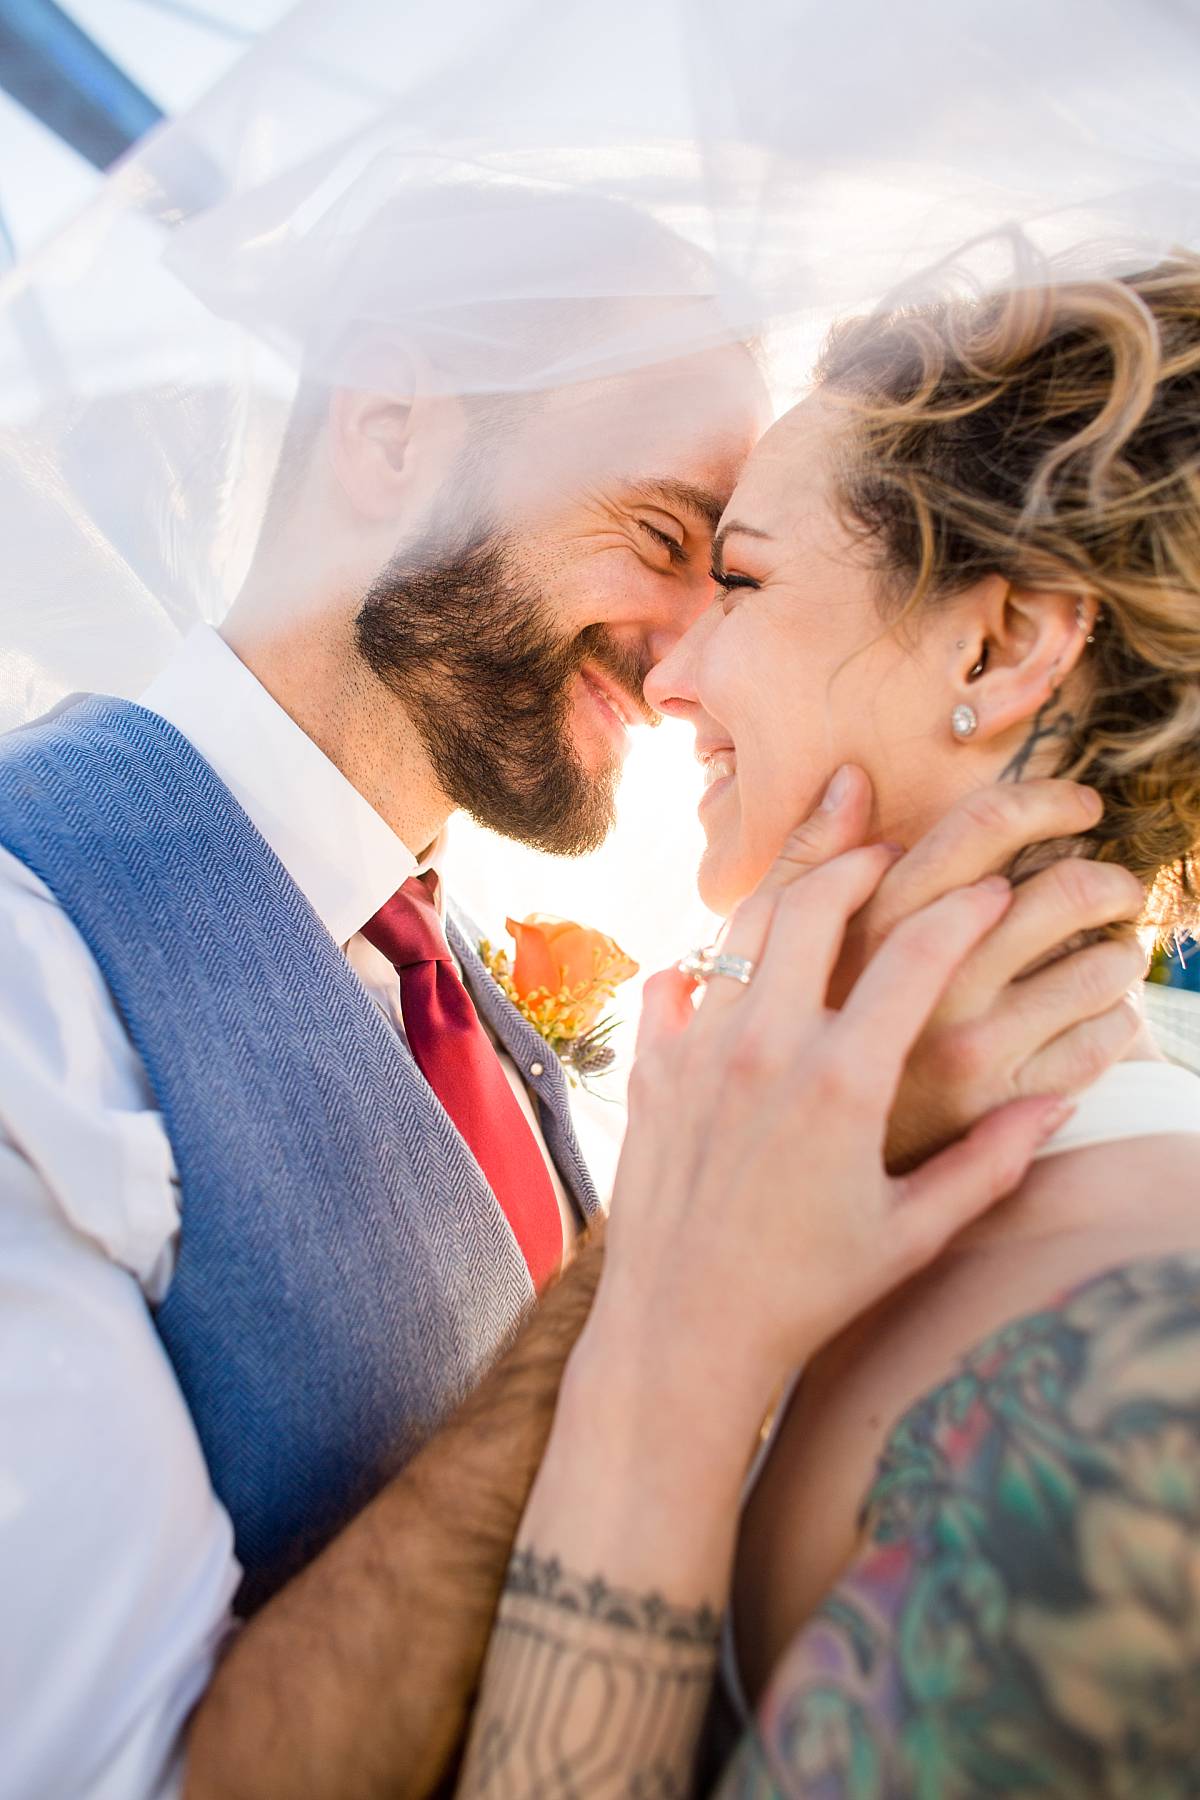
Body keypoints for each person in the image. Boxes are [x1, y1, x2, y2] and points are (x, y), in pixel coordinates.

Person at [0, 179, 1143, 1795]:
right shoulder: (22, 962)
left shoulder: (476, 997)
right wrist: (674, 1253)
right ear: (392, 431)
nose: (682, 665)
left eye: (739, 577)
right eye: (670, 539)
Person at [458, 257, 1200, 1795]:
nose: (670, 674)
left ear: (995, 652)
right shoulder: (802, 1177)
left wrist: (671, 1345)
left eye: (740, 581)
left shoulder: (1144, 1383)